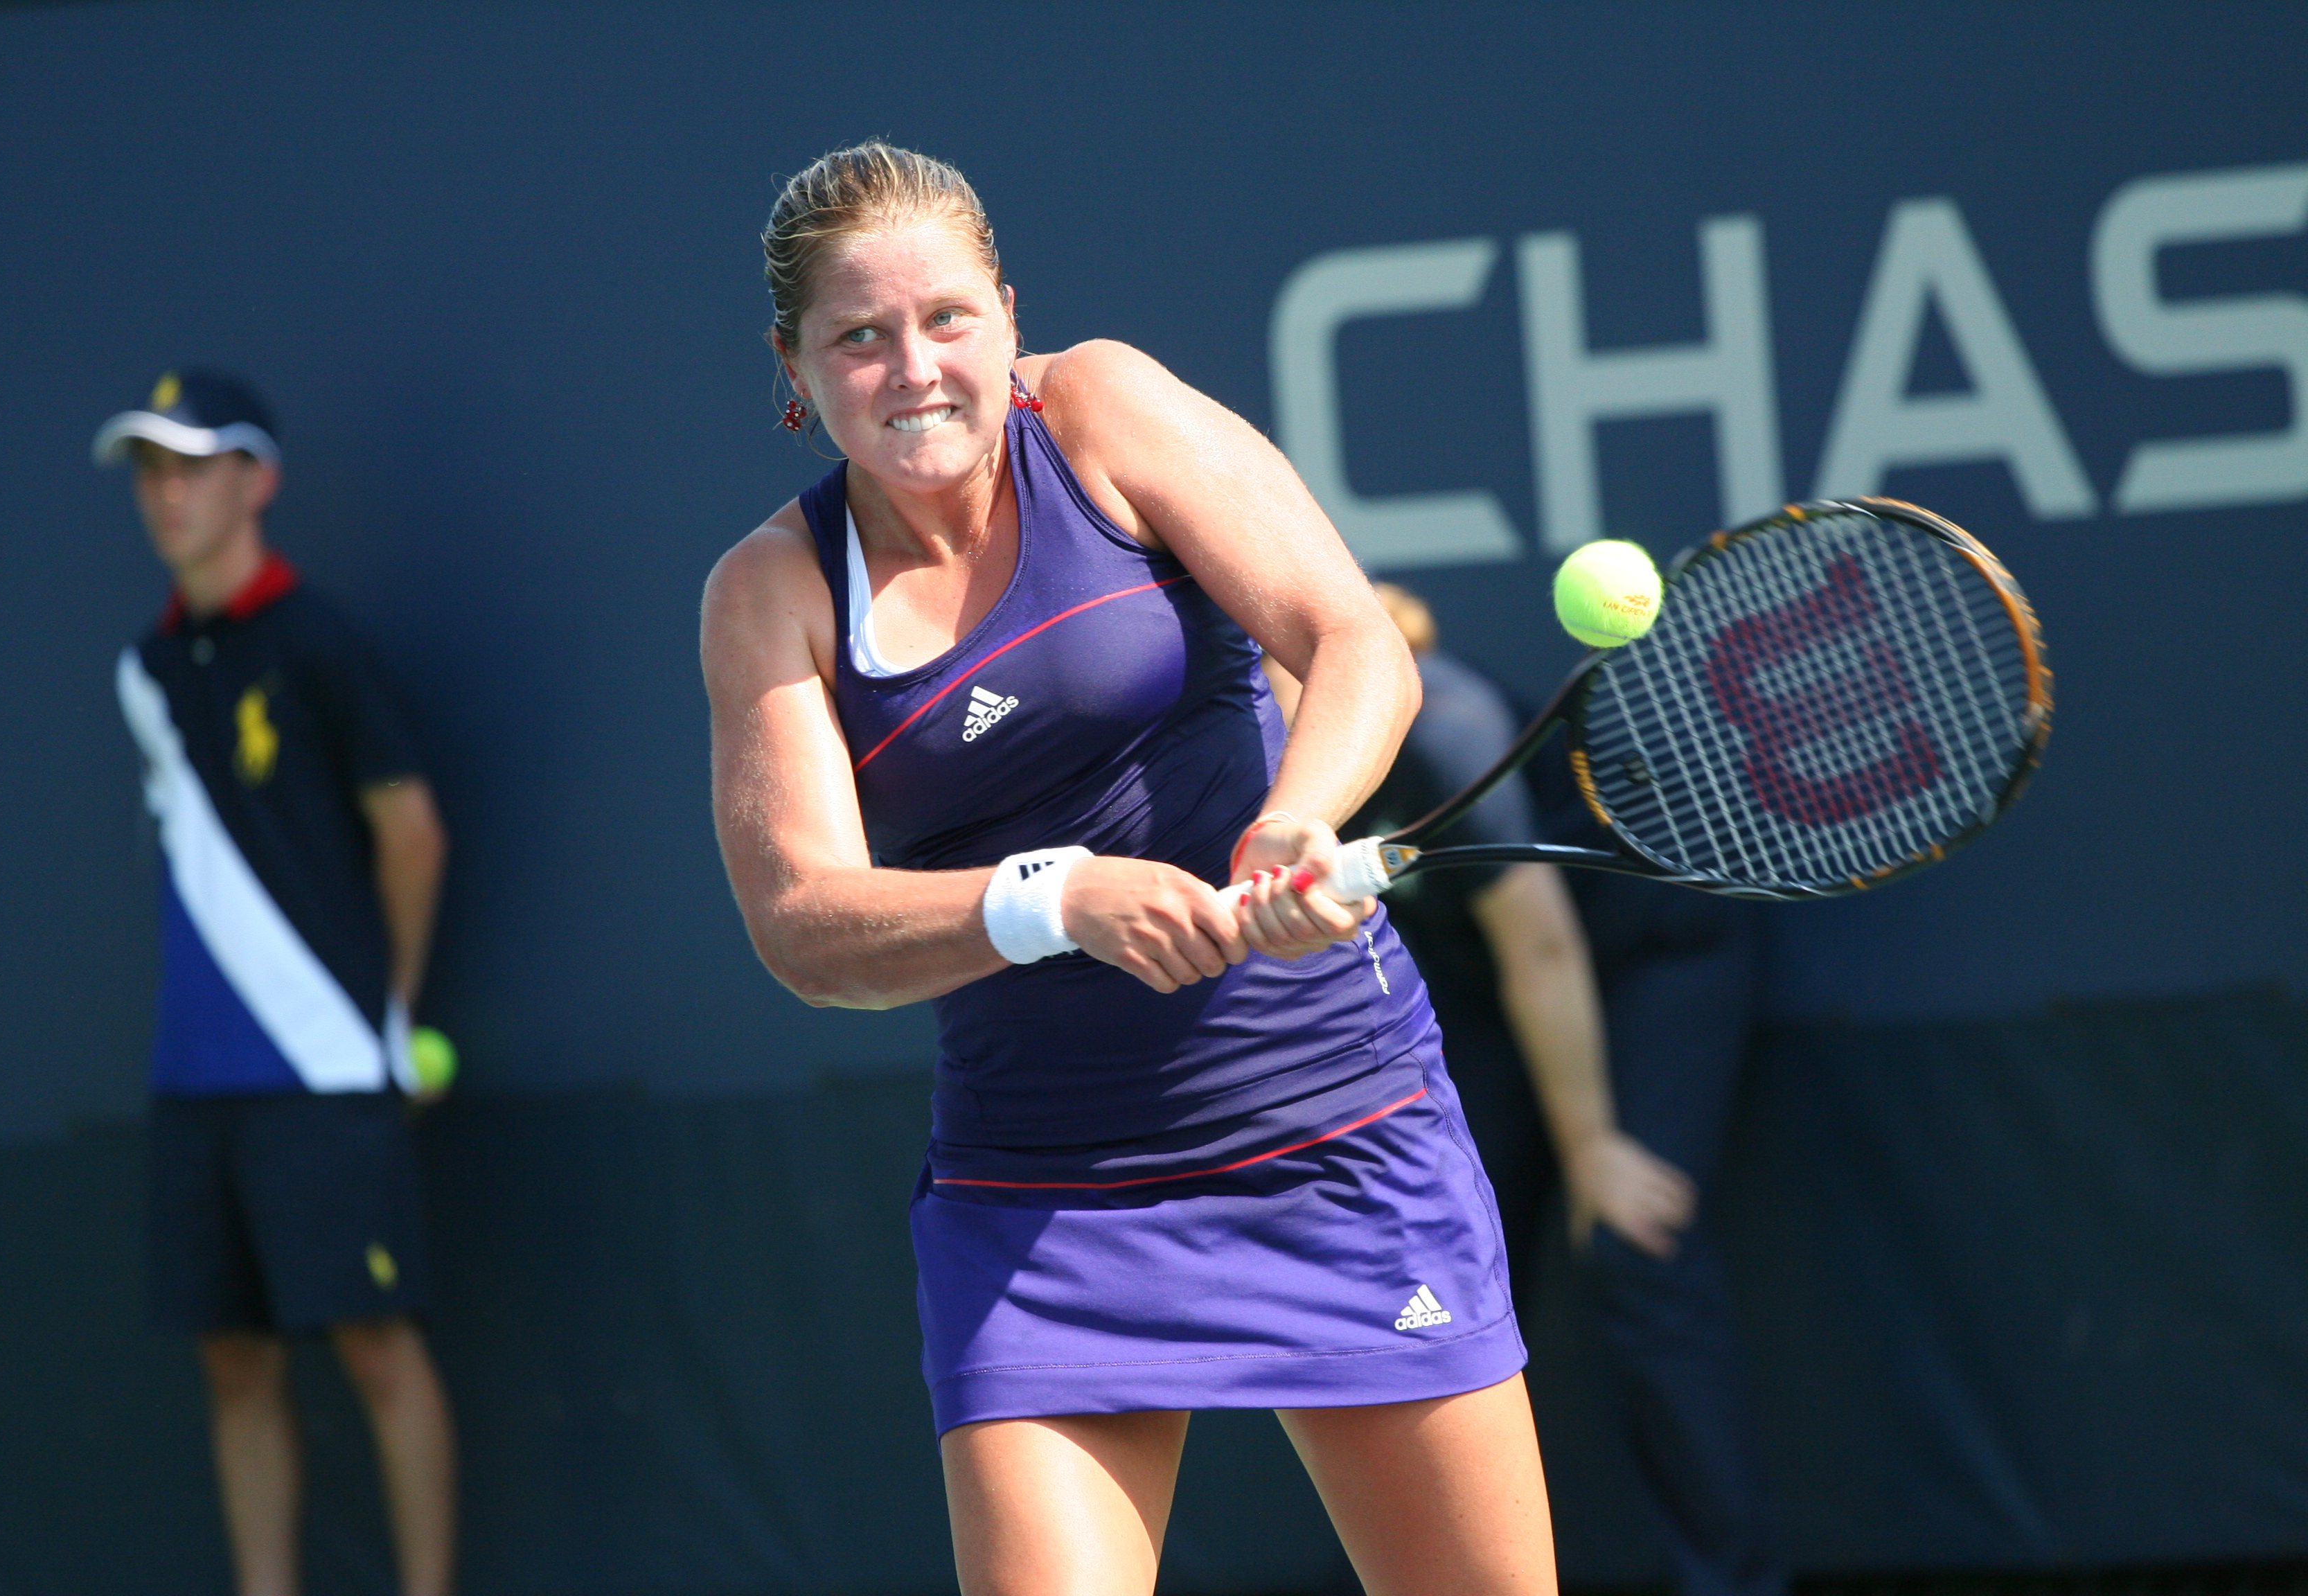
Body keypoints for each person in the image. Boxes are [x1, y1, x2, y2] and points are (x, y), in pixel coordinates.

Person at [701, 143, 1554, 1596]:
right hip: (1040, 1201)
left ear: (1011, 318)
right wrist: (1052, 898)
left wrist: (1299, 818)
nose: (916, 368)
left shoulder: (1105, 410)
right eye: (861, 335)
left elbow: (1351, 642)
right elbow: (805, 926)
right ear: (794, 367)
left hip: (1338, 1132)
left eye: (949, 318)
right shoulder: (769, 595)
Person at [1347, 582, 1784, 1596]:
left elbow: (1542, 947)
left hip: (1646, 952)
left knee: (1635, 1246)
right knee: (1436, 1278)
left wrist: (1594, 1152)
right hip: (1492, 992)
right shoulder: (1241, 748)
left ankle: (1733, 1581)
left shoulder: (1443, 728)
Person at [98, 369, 459, 1596]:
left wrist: (389, 1015)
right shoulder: (145, 673)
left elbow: (411, 832)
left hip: (324, 1065)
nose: (167, 496)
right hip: (194, 1079)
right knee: (233, 1363)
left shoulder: (316, 644)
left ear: (257, 481)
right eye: (151, 471)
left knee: (375, 1347)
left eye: (192, 467)